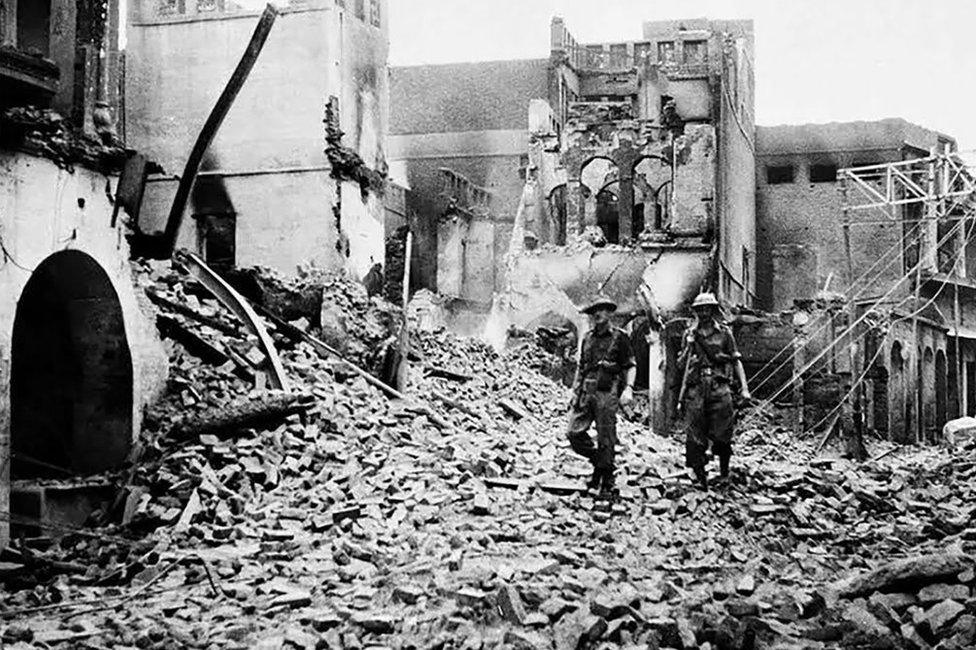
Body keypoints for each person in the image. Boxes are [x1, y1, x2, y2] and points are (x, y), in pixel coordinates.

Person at [565, 296, 637, 499]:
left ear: (609, 312)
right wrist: (575, 392)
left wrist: (629, 388)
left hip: (607, 391)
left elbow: (630, 365)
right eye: (594, 310)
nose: (597, 314)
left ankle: (605, 480)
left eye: (602, 310)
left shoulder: (620, 337)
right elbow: (581, 367)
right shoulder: (587, 338)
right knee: (573, 433)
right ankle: (600, 462)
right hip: (586, 391)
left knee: (606, 438)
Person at [678, 292, 751, 490]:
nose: (703, 312)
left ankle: (724, 474)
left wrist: (744, 388)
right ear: (695, 311)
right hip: (696, 387)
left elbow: (736, 360)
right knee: (695, 433)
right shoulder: (689, 334)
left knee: (723, 431)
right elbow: (680, 365)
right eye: (699, 309)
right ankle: (701, 477)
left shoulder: (725, 333)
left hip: (719, 385)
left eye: (707, 308)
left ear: (713, 310)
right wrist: (689, 347)